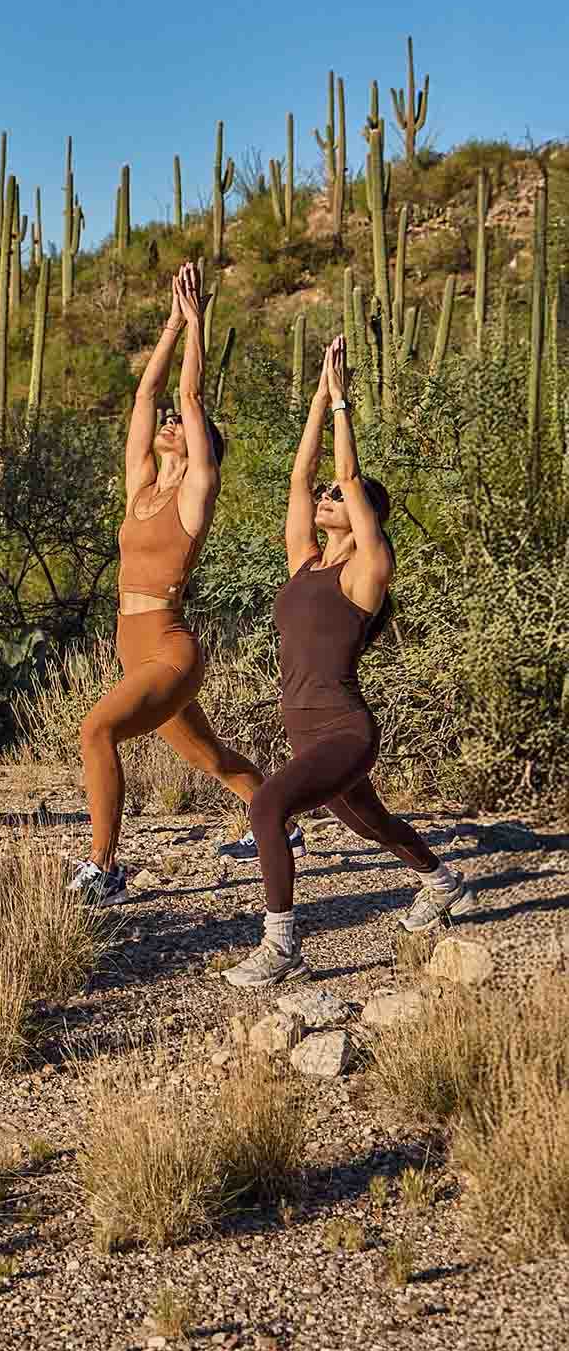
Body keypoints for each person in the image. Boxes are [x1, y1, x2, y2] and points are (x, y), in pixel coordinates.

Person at [222, 337, 472, 988]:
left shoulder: (368, 572)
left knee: (267, 809)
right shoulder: (304, 559)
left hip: (343, 730)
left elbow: (350, 477)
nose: (328, 494)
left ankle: (281, 947)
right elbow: (299, 478)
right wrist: (313, 398)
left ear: (368, 519)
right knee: (370, 821)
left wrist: (341, 405)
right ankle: (442, 881)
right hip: (306, 729)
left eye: (341, 494)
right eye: (327, 493)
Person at [72, 262, 275, 905]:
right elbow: (144, 398)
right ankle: (280, 820)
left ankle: (104, 870)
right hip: (134, 649)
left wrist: (196, 329)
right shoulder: (142, 489)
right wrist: (167, 326)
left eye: (180, 428)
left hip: (169, 650)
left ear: (201, 446)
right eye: (167, 426)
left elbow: (187, 399)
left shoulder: (196, 491)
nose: (168, 424)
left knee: (96, 732)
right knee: (210, 759)